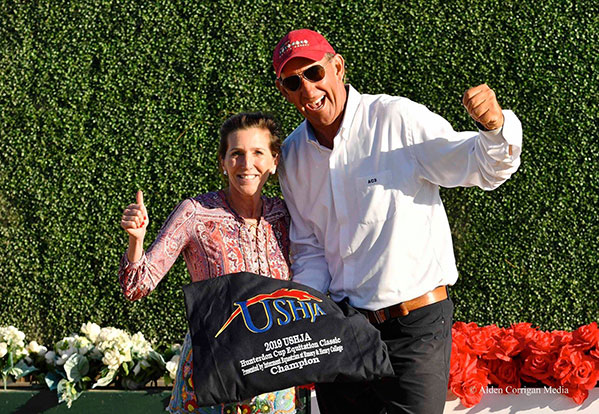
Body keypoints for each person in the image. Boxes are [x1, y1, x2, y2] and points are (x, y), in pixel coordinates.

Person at [272, 29, 522, 414]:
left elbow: (481, 166)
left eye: (315, 73)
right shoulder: (291, 157)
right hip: (343, 331)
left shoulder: (395, 118)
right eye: (294, 81)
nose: (308, 89)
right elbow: (310, 249)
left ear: (337, 66)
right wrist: (306, 315)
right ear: (284, 90)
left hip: (415, 327)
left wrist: (495, 129)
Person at [118, 112, 297, 414]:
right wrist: (136, 240)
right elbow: (136, 287)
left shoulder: (288, 215)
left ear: (274, 160)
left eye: (257, 153)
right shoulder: (195, 213)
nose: (246, 164)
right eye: (236, 154)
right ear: (223, 162)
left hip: (273, 381)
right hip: (209, 378)